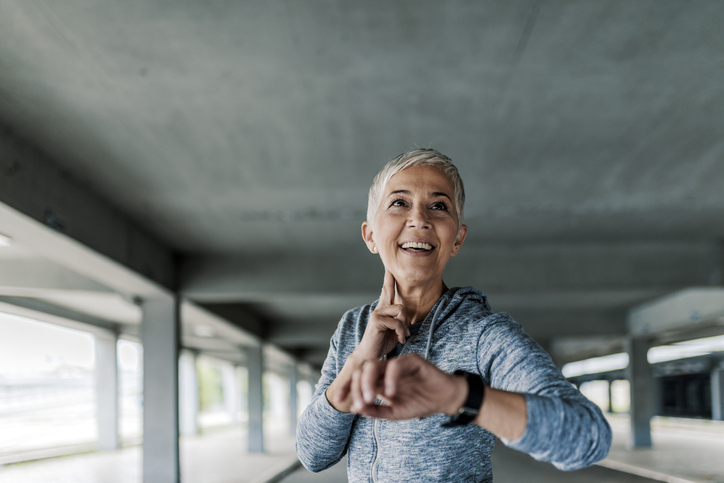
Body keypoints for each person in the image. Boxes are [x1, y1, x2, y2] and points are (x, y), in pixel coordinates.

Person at [296, 149, 611, 482]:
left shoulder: (484, 335)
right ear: (371, 235)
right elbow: (312, 454)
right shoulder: (352, 327)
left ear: (457, 238)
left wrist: (458, 395)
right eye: (399, 203)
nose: (419, 219)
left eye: (439, 206)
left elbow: (589, 437)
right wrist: (361, 357)